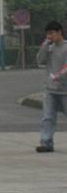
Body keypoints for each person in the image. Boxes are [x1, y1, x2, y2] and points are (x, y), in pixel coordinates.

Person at [35, 20, 67, 153]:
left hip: (65, 89)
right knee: (48, 117)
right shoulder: (49, 47)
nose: (50, 36)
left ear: (59, 32)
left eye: (52, 33)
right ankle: (46, 142)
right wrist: (45, 45)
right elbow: (40, 61)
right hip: (50, 89)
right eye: (47, 34)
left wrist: (58, 77)